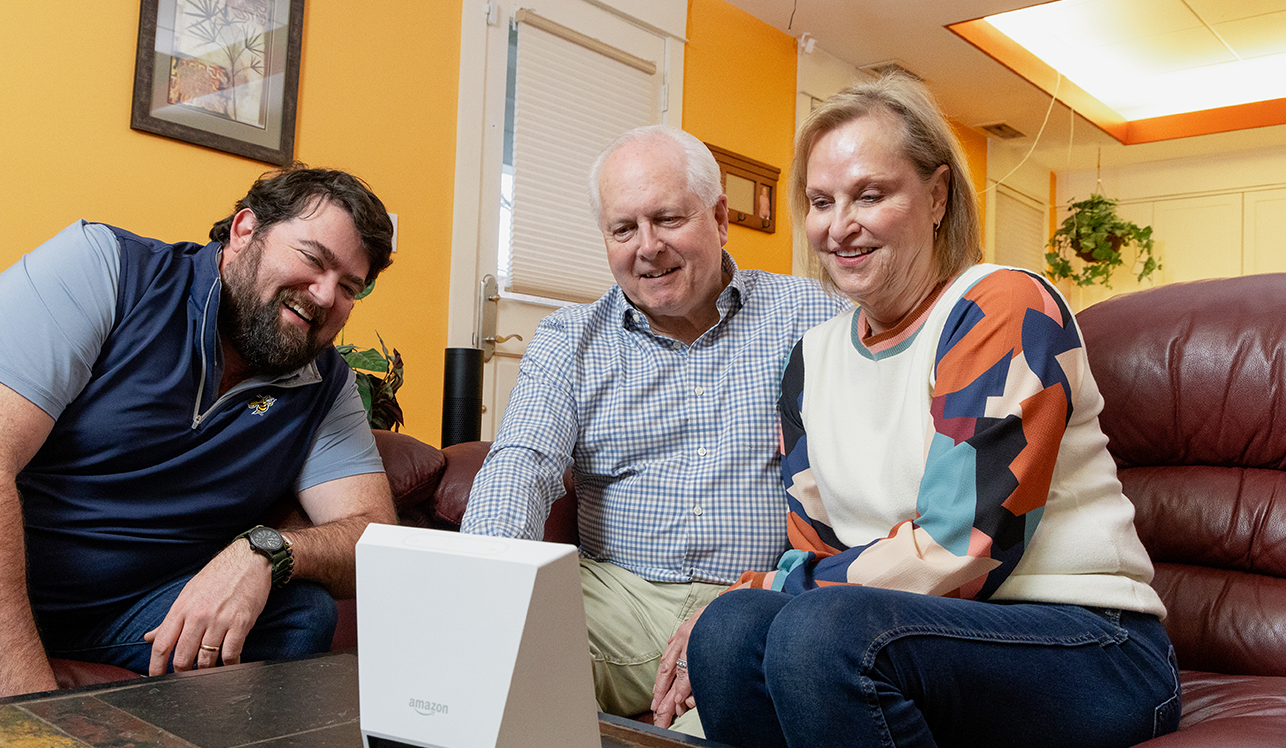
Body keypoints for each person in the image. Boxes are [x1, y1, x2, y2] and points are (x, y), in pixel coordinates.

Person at [683, 76, 1181, 748]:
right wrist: (766, 588)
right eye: (821, 201)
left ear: (938, 195)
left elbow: (963, 549)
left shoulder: (1004, 308)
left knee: (821, 631)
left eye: (870, 194)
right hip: (907, 634)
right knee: (729, 628)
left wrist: (781, 581)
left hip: (1091, 640)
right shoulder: (810, 359)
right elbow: (816, 541)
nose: (839, 225)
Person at [0, 164, 400, 713]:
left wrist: (265, 551)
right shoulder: (101, 268)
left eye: (349, 287)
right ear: (246, 229)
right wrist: (35, 714)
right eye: (312, 259)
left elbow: (373, 538)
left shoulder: (325, 385)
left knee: (301, 610)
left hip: (112, 609)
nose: (326, 296)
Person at [460, 126, 852, 731]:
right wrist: (484, 573)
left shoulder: (817, 314)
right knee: (472, 669)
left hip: (760, 597)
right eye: (624, 229)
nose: (647, 247)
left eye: (668, 219)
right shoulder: (570, 340)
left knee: (726, 717)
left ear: (720, 218)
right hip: (614, 597)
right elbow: (522, 461)